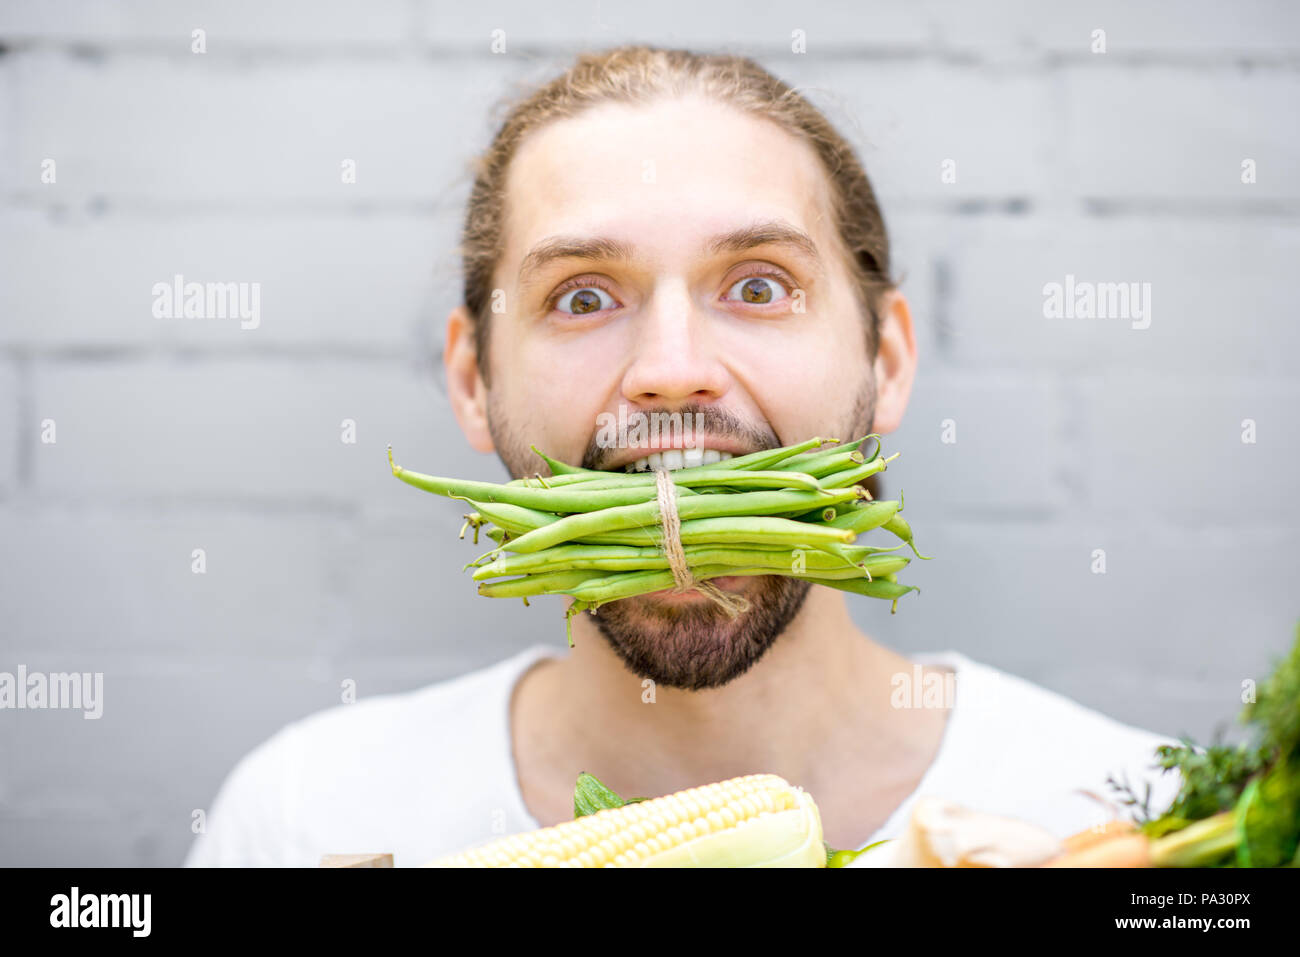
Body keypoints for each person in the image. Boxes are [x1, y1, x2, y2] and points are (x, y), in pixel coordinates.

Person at [185, 45, 1179, 867]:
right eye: (581, 296)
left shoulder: (1140, 822)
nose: (671, 371)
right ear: (473, 381)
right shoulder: (304, 817)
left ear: (886, 357)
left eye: (756, 286)